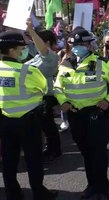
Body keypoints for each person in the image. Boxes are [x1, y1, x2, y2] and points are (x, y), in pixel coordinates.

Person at [54, 28, 109, 200]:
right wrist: (63, 101)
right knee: (85, 152)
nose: (79, 46)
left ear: (89, 44)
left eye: (82, 43)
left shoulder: (102, 62)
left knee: (98, 152)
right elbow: (57, 87)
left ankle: (102, 188)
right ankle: (91, 185)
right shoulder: (65, 64)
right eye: (75, 44)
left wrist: (107, 101)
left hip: (97, 114)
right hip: (76, 115)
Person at [0, 31, 57, 200]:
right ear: (11, 50)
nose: (24, 50)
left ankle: (12, 192)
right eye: (21, 47)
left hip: (5, 121)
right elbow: (44, 89)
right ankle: (39, 192)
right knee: (33, 159)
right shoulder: (28, 71)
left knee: (9, 159)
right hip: (28, 121)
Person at [26, 22, 61, 162]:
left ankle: (55, 150)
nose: (34, 43)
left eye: (37, 40)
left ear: (45, 42)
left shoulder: (50, 56)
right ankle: (48, 147)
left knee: (48, 126)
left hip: (45, 96)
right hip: (33, 98)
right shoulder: (36, 57)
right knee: (42, 126)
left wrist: (31, 30)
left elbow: (43, 50)